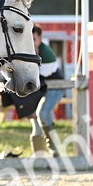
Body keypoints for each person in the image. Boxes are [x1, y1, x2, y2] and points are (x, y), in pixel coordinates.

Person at [33, 27, 66, 155]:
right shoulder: (34, 50)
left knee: (43, 114)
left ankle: (54, 147)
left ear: (40, 38)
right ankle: (48, 148)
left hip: (55, 87)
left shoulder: (46, 53)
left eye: (34, 39)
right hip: (45, 86)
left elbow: (41, 74)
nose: (31, 42)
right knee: (38, 115)